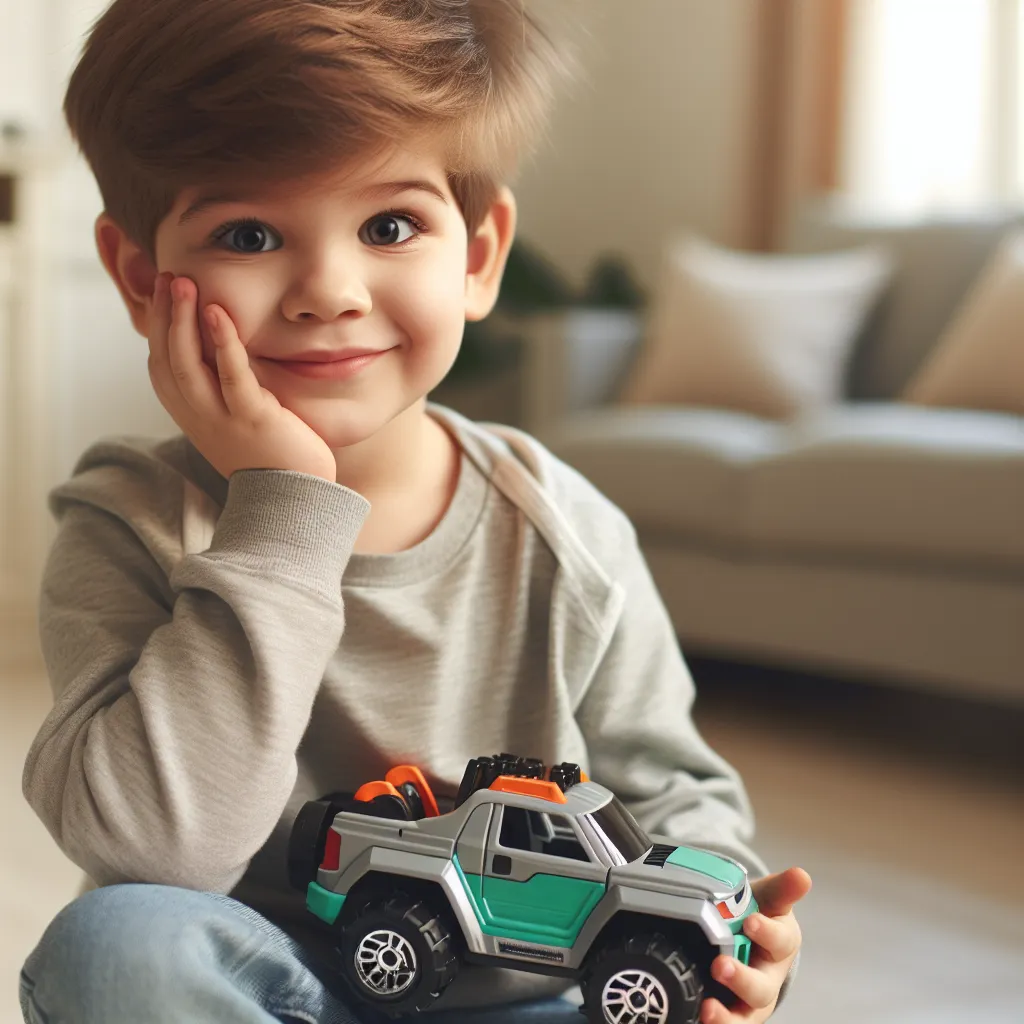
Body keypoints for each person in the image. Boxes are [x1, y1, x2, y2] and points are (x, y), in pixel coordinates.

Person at [19, 1, 810, 1022]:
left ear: (477, 256)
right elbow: (154, 848)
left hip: (527, 995)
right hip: (265, 984)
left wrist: (739, 925)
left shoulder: (564, 533)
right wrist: (283, 515)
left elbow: (671, 793)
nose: (327, 290)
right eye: (248, 234)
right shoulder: (128, 521)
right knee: (116, 949)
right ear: (141, 277)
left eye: (389, 225)